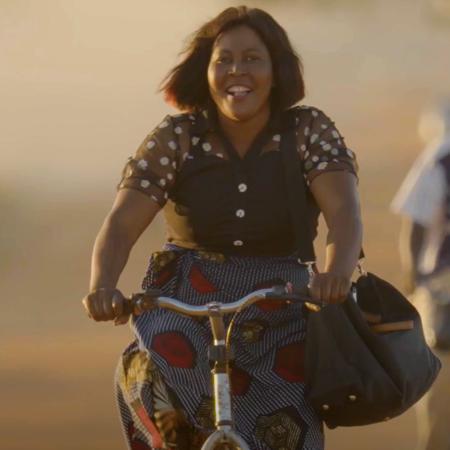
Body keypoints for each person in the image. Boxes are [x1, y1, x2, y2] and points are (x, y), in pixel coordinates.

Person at [82, 6, 362, 450]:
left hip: (282, 298)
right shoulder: (177, 137)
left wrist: (336, 275)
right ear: (206, 70)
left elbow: (344, 212)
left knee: (291, 409)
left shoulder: (308, 130)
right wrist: (103, 286)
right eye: (224, 59)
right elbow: (120, 224)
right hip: (184, 296)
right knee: (145, 369)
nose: (238, 71)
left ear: (276, 70)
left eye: (253, 58)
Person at [391, 100, 450, 450]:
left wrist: (415, 277)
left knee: (442, 391)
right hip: (445, 291)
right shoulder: (442, 157)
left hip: (441, 288)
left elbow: (414, 223)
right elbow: (415, 222)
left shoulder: (440, 156)